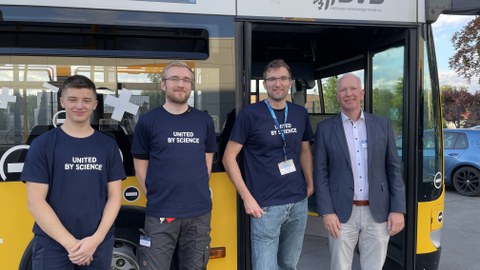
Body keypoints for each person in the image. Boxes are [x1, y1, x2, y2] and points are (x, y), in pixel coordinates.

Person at [22, 75, 125, 269]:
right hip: (53, 244)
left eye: (86, 100)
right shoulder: (43, 145)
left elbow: (115, 197)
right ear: (62, 101)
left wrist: (95, 240)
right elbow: (35, 202)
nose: (80, 106)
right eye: (73, 99)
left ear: (95, 104)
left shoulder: (108, 146)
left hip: (97, 244)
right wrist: (72, 245)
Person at [223, 59, 314, 270]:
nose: (277, 83)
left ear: (290, 82)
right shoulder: (250, 114)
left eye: (282, 78)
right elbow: (229, 158)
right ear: (264, 84)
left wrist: (310, 185)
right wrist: (248, 199)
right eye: (272, 79)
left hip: (298, 202)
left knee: (289, 264)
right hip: (265, 206)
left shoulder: (300, 113)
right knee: (265, 267)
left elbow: (305, 150)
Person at [314, 73, 406, 270]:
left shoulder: (382, 125)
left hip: (378, 212)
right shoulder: (325, 129)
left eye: (353, 89)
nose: (349, 94)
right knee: (340, 266)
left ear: (362, 93)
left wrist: (398, 209)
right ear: (337, 96)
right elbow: (320, 174)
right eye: (343, 90)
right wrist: (327, 212)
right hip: (340, 214)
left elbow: (393, 169)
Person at [132, 61, 216, 270]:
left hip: (199, 213)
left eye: (186, 80)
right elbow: (140, 167)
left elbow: (207, 161)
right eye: (175, 79)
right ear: (163, 85)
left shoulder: (203, 120)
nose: (181, 84)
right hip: (161, 213)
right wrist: (153, 196)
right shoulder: (148, 121)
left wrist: (201, 189)